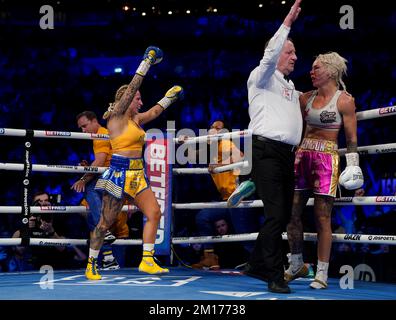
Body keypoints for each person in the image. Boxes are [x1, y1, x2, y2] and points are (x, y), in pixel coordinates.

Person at [85, 46, 184, 280]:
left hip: (138, 173)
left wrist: (170, 97)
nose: (140, 102)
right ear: (126, 100)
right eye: (137, 99)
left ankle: (147, 260)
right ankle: (91, 263)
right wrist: (146, 62)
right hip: (118, 173)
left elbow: (155, 112)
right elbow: (132, 88)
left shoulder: (136, 119)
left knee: (154, 212)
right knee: (104, 224)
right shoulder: (116, 116)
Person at [284, 51, 364, 289]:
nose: (311, 71)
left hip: (327, 159)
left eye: (316, 68)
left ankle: (322, 273)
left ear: (330, 71)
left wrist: (353, 164)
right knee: (292, 213)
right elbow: (296, 130)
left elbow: (351, 138)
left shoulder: (344, 100)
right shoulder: (305, 98)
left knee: (322, 216)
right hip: (302, 155)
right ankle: (296, 263)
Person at [243, 0, 303, 294]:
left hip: (284, 156)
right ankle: (274, 274)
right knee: (276, 214)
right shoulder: (261, 76)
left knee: (281, 214)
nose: (295, 57)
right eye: (290, 52)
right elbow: (268, 56)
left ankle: (256, 263)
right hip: (265, 151)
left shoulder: (289, 87)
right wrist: (287, 23)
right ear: (277, 52)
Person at [188, 120, 257, 269]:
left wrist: (220, 166)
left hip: (239, 197)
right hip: (226, 200)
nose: (213, 130)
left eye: (217, 128)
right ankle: (210, 256)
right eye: (211, 127)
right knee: (203, 217)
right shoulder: (212, 149)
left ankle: (258, 262)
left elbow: (240, 156)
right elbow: (190, 155)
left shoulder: (225, 143)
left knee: (243, 232)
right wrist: (187, 142)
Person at [71, 110, 129, 270]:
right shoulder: (101, 135)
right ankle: (108, 256)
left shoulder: (101, 135)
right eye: (80, 128)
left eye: (84, 126)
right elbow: (100, 162)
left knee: (89, 187)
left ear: (94, 120)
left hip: (114, 178)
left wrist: (83, 178)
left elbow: (101, 161)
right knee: (90, 216)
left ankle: (103, 230)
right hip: (111, 177)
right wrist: (88, 168)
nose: (83, 131)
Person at [11, 191, 86, 271]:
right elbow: (16, 246)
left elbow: (63, 248)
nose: (44, 203)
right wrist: (26, 228)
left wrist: (51, 231)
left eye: (46, 200)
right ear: (34, 205)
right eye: (39, 201)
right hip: (35, 266)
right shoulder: (29, 218)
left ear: (51, 203)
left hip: (60, 265)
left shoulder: (61, 218)